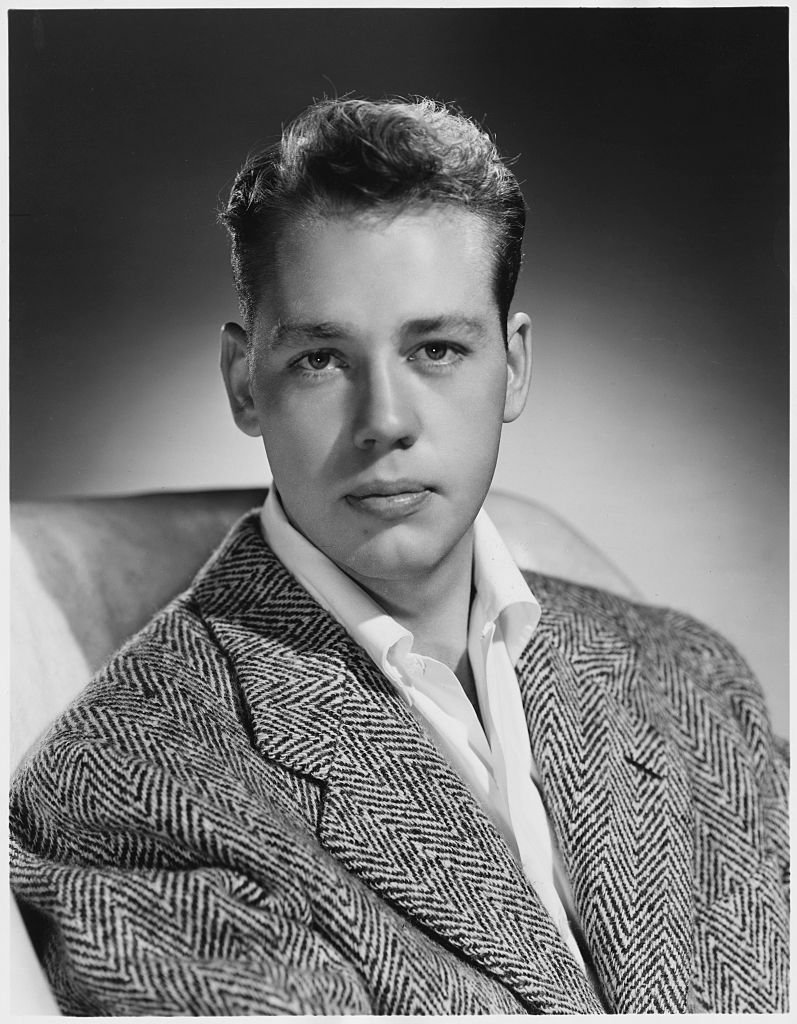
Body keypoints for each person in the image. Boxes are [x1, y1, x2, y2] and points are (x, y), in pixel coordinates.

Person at [9, 97, 788, 1015]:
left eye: (437, 349)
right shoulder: (128, 782)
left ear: (516, 365)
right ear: (242, 383)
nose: (385, 422)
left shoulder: (687, 673)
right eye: (321, 360)